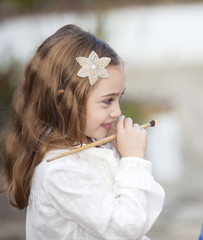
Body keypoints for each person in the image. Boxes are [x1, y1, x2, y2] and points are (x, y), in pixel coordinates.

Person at [0, 24, 165, 240]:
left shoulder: (96, 145)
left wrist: (128, 160)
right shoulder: (60, 172)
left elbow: (142, 216)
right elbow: (126, 228)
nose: (117, 112)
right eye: (108, 101)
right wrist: (133, 161)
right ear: (63, 103)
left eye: (119, 98)